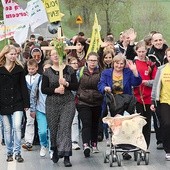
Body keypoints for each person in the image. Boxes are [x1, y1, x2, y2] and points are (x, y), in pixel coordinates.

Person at [98, 53, 142, 160]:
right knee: (116, 124)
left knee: (126, 124)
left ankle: (127, 148)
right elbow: (100, 84)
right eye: (117, 63)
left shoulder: (127, 72)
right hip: (113, 101)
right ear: (113, 63)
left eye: (121, 63)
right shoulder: (106, 73)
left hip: (126, 101)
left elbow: (137, 82)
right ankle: (116, 144)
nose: (119, 66)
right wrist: (105, 88)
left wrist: (135, 71)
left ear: (124, 64)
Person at [41, 49, 78, 167]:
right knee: (54, 128)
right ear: (50, 57)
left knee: (65, 127)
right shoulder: (47, 72)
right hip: (52, 103)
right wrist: (55, 90)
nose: (56, 56)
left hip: (67, 102)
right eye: (53, 55)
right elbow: (44, 89)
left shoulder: (69, 70)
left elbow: (76, 85)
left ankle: (67, 155)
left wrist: (66, 83)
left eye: (58, 54)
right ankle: (55, 149)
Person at [0, 45, 30, 162]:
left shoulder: (19, 69)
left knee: (17, 126)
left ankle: (17, 152)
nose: (13, 56)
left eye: (15, 54)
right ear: (5, 54)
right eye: (11, 54)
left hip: (17, 101)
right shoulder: (0, 69)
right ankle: (9, 152)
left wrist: (26, 104)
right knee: (7, 129)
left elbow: (23, 87)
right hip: (3, 102)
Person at [76, 52, 103, 158]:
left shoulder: (101, 72)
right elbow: (76, 84)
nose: (92, 63)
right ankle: (86, 144)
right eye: (91, 60)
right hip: (83, 101)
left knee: (95, 123)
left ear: (97, 61)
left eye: (94, 60)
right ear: (87, 61)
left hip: (97, 101)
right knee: (86, 123)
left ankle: (94, 143)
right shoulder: (81, 71)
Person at [133, 41, 157, 148]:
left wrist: (146, 82)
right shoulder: (134, 64)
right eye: (139, 51)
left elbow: (155, 80)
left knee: (146, 123)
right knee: (138, 123)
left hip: (148, 97)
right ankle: (137, 144)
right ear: (136, 52)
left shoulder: (151, 64)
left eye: (143, 51)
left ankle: (145, 146)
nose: (141, 53)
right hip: (137, 97)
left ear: (146, 51)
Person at [148, 32, 168, 150]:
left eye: (160, 40)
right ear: (152, 42)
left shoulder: (168, 52)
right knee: (158, 117)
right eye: (156, 41)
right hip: (154, 88)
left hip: (167, 88)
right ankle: (160, 139)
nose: (158, 42)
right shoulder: (149, 55)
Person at [150, 47, 170, 161]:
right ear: (167, 57)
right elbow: (156, 85)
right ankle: (168, 150)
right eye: (169, 56)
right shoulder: (162, 69)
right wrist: (153, 101)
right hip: (164, 101)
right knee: (167, 124)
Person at [30, 61, 52, 157]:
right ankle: (44, 145)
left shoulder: (56, 79)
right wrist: (32, 109)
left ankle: (52, 149)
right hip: (41, 109)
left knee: (52, 131)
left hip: (52, 108)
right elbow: (33, 95)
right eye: (45, 69)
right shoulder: (39, 79)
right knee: (42, 131)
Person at [22, 59, 40, 151]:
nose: (31, 70)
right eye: (29, 69)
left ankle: (45, 139)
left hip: (39, 103)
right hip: (28, 104)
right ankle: (28, 141)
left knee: (41, 122)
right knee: (29, 122)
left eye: (33, 69)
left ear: (37, 68)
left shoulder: (40, 77)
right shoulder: (25, 78)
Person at [67, 57, 81, 150]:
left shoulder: (80, 73)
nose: (75, 64)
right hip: (70, 100)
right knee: (72, 120)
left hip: (80, 99)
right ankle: (70, 140)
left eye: (76, 63)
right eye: (73, 63)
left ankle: (75, 140)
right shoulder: (68, 74)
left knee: (77, 121)